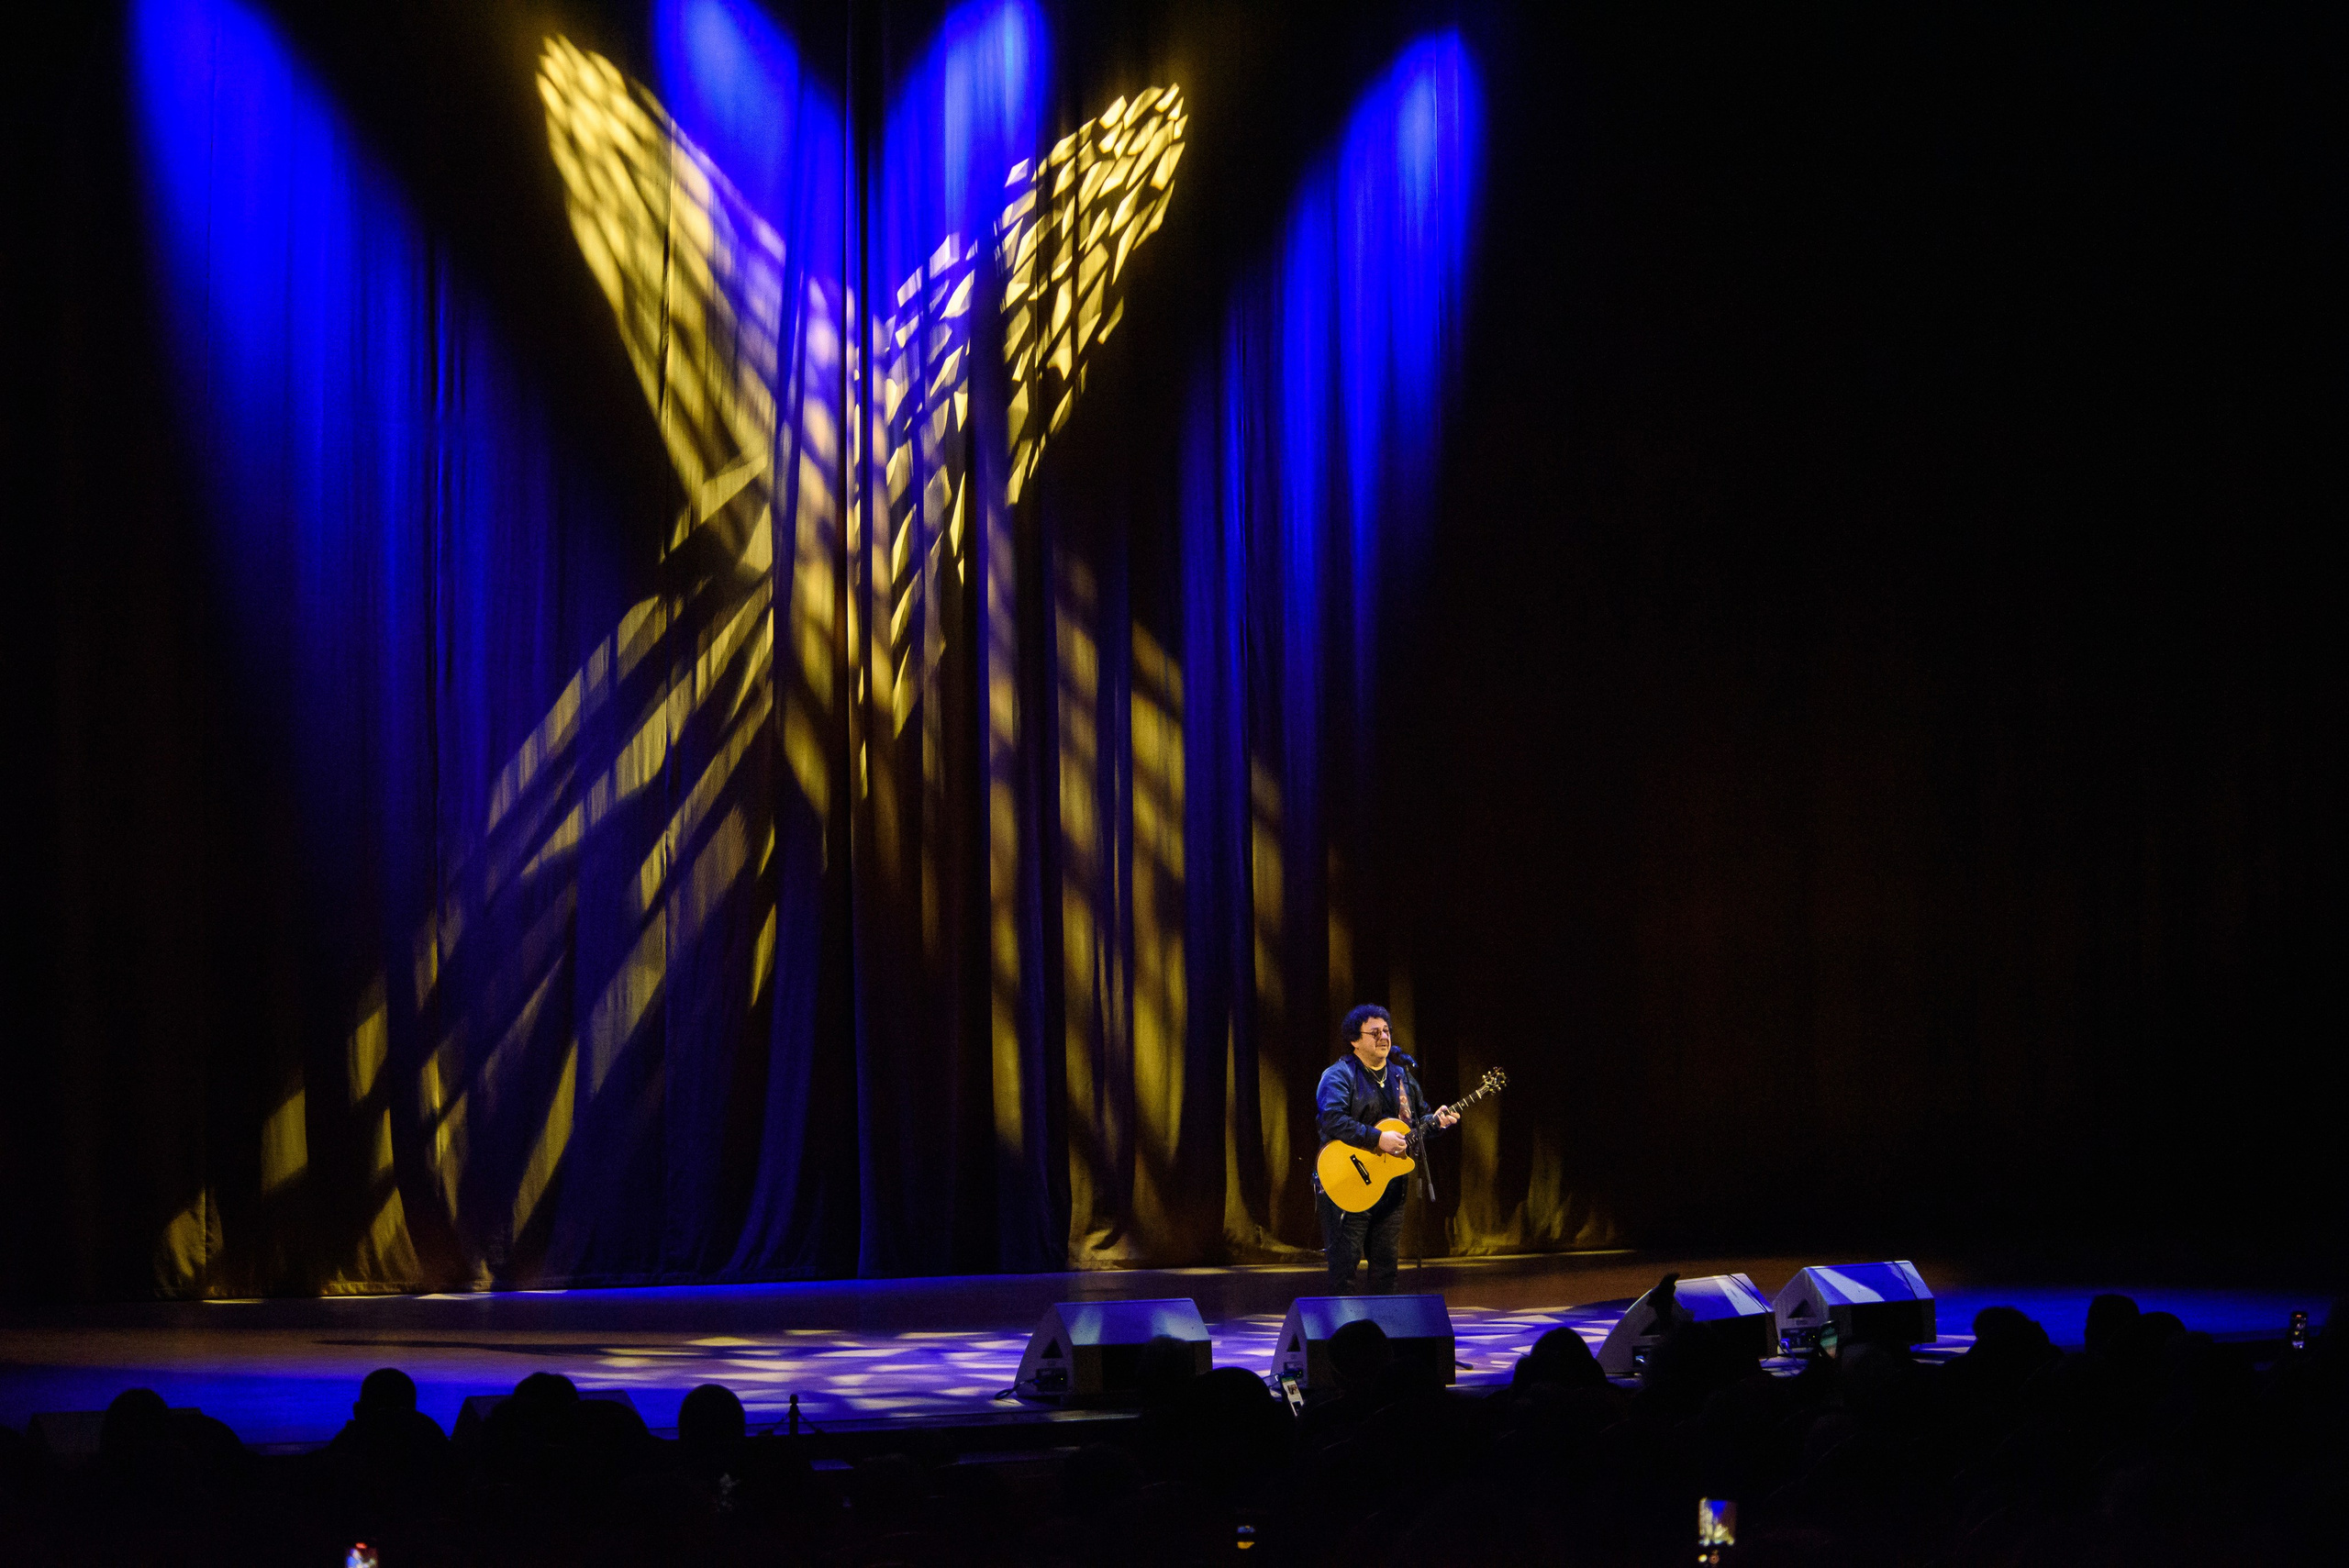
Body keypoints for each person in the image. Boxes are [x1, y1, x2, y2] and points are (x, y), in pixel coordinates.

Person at [1313, 1005, 1458, 1293]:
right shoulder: (1339, 1075)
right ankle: (1343, 1337)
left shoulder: (1401, 1076)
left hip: (1391, 1189)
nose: (1384, 1037)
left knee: (1386, 1273)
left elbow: (1415, 1124)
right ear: (1355, 1040)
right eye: (1375, 1032)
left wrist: (1436, 1122)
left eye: (1387, 1031)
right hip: (1348, 1183)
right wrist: (1378, 1138)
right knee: (1344, 1274)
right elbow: (1332, 1120)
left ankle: (1384, 1336)